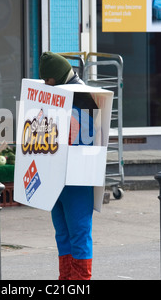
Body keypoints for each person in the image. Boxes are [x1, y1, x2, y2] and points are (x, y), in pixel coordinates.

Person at [39, 51, 98, 280]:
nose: (46, 84)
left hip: (77, 178)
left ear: (58, 77)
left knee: (78, 234)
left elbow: (87, 137)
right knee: (63, 235)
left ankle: (80, 283)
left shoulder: (84, 98)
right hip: (58, 176)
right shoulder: (55, 95)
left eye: (48, 80)